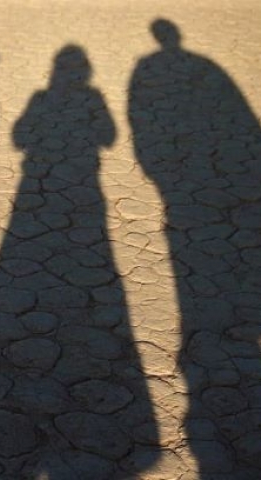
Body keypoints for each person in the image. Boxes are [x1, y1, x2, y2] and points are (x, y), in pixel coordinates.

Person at [0, 45, 159, 479]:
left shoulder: (41, 97)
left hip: (38, 185)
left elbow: (19, 137)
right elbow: (110, 137)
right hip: (88, 186)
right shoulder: (89, 96)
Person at [130, 19, 261, 478]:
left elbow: (137, 124)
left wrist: (156, 174)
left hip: (180, 199)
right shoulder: (203, 66)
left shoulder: (151, 67)